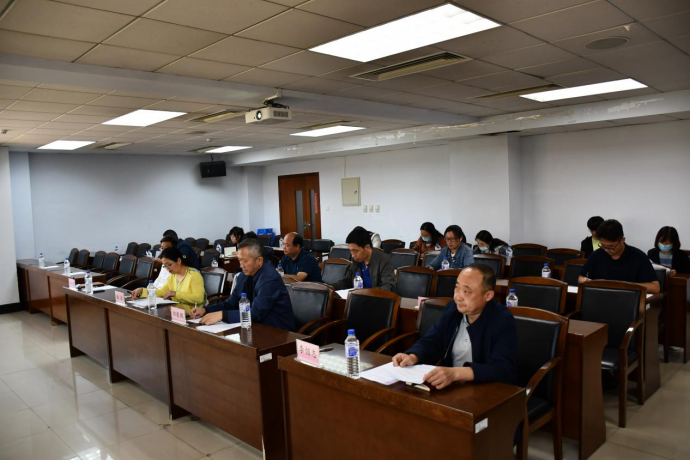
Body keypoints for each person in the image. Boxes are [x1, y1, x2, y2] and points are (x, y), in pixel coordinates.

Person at [392, 264, 517, 389]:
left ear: (488, 295)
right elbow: (432, 339)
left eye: (466, 292)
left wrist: (455, 374)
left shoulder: (502, 319)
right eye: (457, 288)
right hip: (452, 386)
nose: (457, 297)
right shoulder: (453, 309)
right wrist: (413, 356)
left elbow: (501, 368)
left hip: (486, 388)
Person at [193, 239, 295, 331]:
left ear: (259, 260)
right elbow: (231, 303)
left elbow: (256, 313)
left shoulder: (270, 279)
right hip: (254, 327)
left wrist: (222, 315)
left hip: (278, 332)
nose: (241, 265)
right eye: (239, 260)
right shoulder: (243, 276)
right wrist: (206, 310)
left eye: (245, 261)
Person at [579, 220, 660, 295]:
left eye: (611, 247)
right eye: (603, 246)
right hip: (600, 298)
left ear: (622, 240)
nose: (606, 250)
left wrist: (623, 286)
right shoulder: (597, 255)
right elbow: (581, 278)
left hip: (628, 300)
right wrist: (584, 280)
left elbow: (655, 287)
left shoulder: (638, 256)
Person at [131, 247, 205, 315]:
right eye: (164, 266)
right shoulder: (172, 277)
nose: (167, 269)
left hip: (194, 314)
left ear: (178, 261)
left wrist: (175, 294)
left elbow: (199, 298)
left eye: (169, 265)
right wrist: (142, 291)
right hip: (178, 312)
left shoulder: (194, 275)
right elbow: (161, 292)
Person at [331, 227, 396, 292]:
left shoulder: (384, 260)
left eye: (355, 251)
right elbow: (348, 281)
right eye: (351, 251)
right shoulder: (356, 260)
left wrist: (368, 293)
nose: (353, 255)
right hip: (357, 296)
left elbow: (389, 286)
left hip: (375, 297)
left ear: (367, 247)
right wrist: (331, 287)